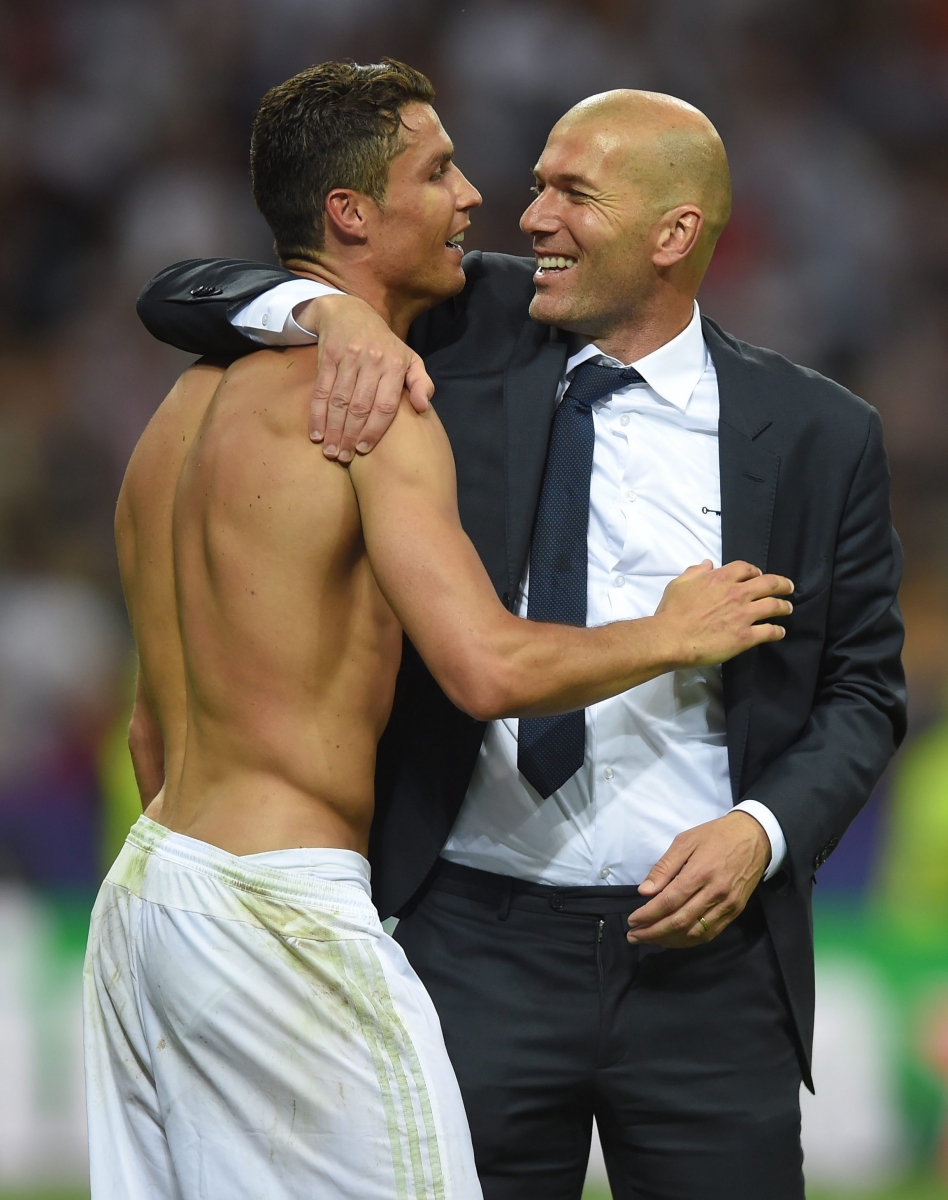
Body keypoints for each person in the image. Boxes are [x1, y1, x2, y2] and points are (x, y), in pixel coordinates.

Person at [136, 72, 906, 1200]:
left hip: (708, 968)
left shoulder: (819, 434)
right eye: (537, 186)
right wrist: (329, 311)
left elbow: (863, 694)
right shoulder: (461, 325)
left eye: (572, 195)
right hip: (472, 942)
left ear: (672, 233)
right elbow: (180, 294)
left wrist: (761, 831)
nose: (530, 217)